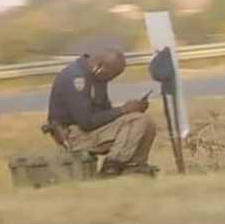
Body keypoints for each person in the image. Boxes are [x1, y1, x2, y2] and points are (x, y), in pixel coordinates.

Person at [47, 48, 158, 177]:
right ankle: (111, 168)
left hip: (91, 130)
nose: (111, 79)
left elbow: (104, 113)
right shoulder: (76, 78)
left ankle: (134, 167)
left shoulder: (96, 76)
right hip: (74, 135)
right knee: (138, 121)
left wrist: (130, 110)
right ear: (101, 67)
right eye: (112, 74)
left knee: (146, 122)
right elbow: (86, 122)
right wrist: (124, 110)